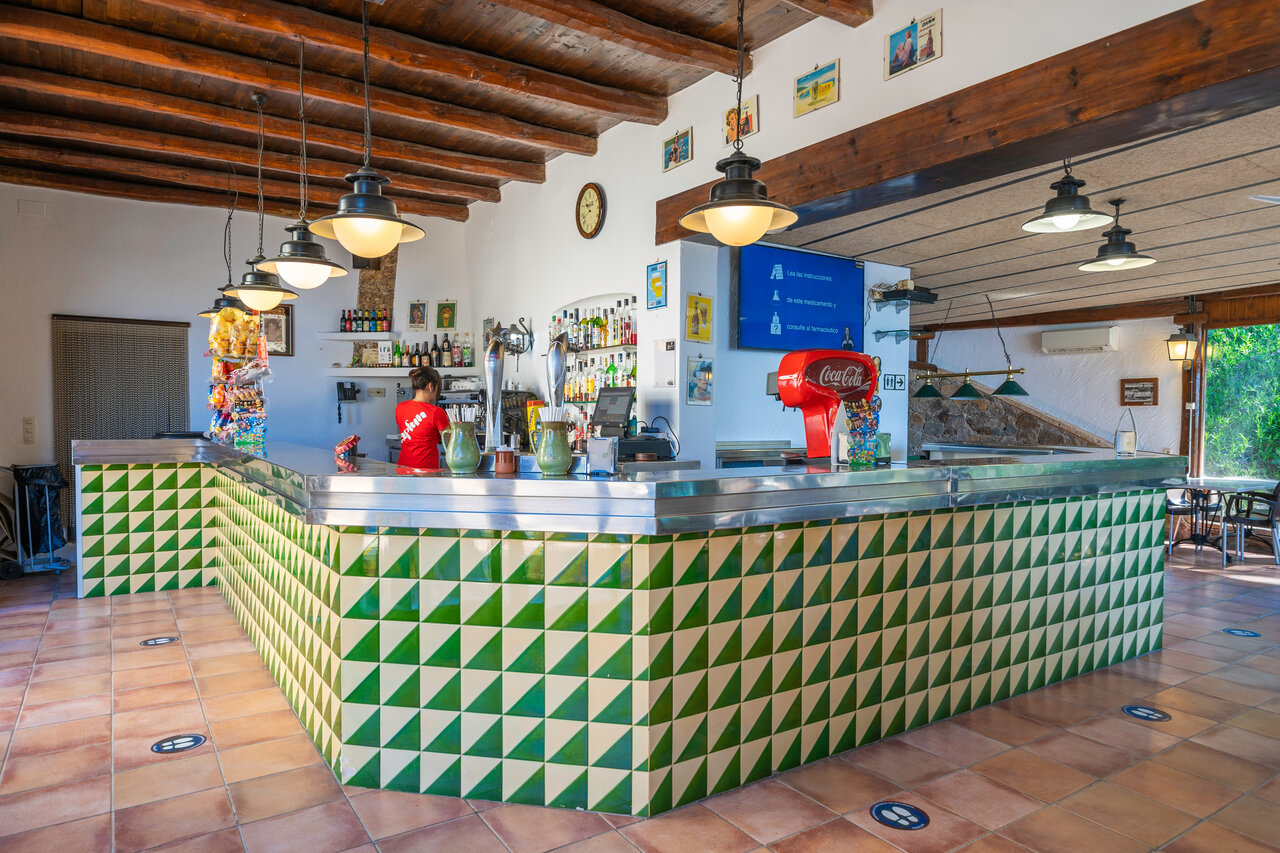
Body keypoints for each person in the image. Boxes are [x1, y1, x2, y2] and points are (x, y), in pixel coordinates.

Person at [395, 366, 450, 469]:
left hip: (403, 468)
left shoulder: (400, 408)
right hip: (426, 471)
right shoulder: (436, 412)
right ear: (431, 386)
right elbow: (450, 444)